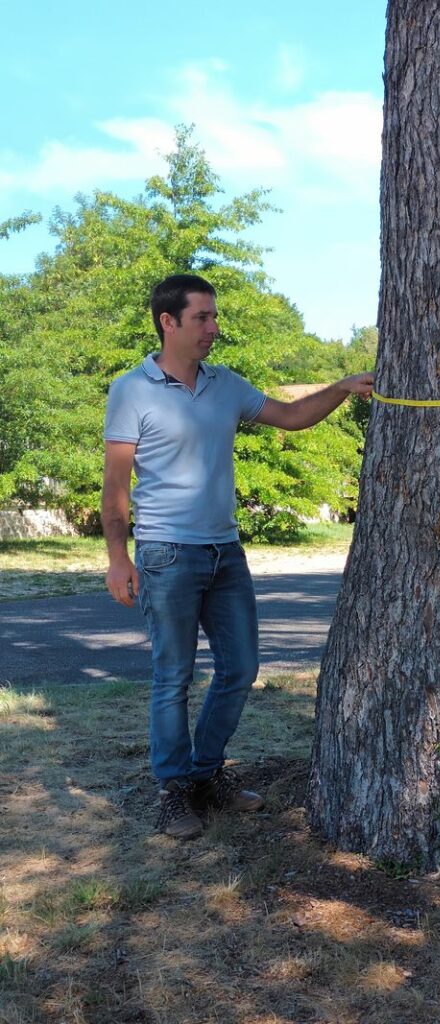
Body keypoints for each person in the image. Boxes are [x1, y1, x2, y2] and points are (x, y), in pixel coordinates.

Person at [102, 273, 373, 839]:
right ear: (167, 322)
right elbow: (115, 486)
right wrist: (118, 558)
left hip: (226, 552)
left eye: (214, 316)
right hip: (165, 554)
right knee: (172, 676)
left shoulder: (226, 385)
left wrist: (343, 387)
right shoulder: (132, 389)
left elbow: (292, 416)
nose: (213, 328)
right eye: (202, 317)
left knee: (242, 669)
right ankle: (175, 790)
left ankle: (204, 775)